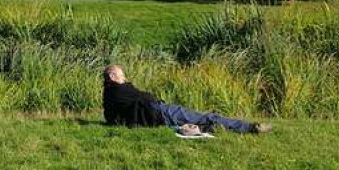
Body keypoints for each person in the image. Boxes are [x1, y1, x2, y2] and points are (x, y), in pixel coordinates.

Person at [102, 64, 272, 134]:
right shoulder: (120, 91)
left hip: (156, 115)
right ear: (112, 76)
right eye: (121, 76)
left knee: (198, 120)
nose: (125, 78)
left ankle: (222, 128)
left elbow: (110, 118)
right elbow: (141, 95)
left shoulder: (110, 95)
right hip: (161, 112)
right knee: (205, 116)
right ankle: (250, 127)